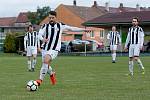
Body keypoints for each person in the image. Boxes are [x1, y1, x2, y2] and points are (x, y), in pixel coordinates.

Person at [36, 11, 86, 86]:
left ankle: (39, 80)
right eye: (50, 18)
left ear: (56, 18)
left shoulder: (60, 25)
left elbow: (71, 28)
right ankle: (52, 74)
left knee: (46, 60)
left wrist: (83, 30)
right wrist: (42, 39)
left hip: (54, 49)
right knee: (46, 64)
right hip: (45, 48)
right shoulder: (44, 26)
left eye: (53, 18)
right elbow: (39, 34)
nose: (51, 19)